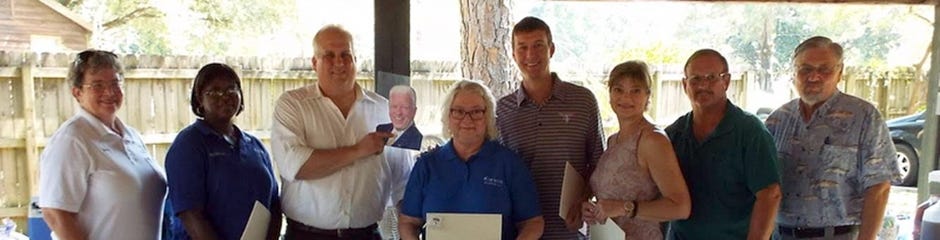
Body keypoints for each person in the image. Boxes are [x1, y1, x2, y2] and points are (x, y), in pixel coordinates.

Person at [270, 25, 410, 240]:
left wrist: (407, 234)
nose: (339, 62)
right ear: (314, 63)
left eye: (346, 54)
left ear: (356, 60)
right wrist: (358, 150)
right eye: (329, 55)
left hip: (366, 234)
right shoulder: (293, 105)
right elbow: (295, 166)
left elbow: (402, 182)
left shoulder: (386, 110)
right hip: (305, 235)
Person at [765, 36, 899, 240]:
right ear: (794, 73)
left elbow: (879, 187)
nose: (814, 76)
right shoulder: (777, 121)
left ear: (840, 73)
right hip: (780, 235)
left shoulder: (864, 117)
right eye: (805, 69)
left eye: (824, 69)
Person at [38, 49, 167, 240]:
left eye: (115, 83)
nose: (109, 92)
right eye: (97, 85)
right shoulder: (72, 139)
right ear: (77, 92)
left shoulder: (131, 136)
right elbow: (55, 213)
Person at [496, 16, 605, 239]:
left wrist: (583, 198)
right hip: (520, 231)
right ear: (513, 53)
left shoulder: (583, 101)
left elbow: (599, 162)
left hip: (570, 230)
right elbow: (495, 170)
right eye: (522, 47)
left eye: (538, 45)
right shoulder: (501, 110)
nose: (530, 55)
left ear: (551, 49)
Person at [398, 80, 544, 240]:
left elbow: (533, 222)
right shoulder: (426, 165)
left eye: (476, 112)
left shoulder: (509, 164)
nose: (467, 120)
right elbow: (408, 222)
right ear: (448, 115)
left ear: (487, 117)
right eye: (459, 111)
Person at [665, 49, 781, 240]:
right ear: (685, 84)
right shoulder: (674, 134)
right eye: (695, 79)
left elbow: (770, 194)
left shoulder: (749, 131)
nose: (703, 85)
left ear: (726, 82)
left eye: (711, 77)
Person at [165, 63, 281, 240]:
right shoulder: (189, 144)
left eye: (231, 89)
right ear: (199, 99)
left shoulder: (255, 146)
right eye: (215, 91)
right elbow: (190, 214)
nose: (225, 97)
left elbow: (273, 205)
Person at [581, 61, 691, 239]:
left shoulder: (652, 140)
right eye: (619, 89)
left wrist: (625, 207)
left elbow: (680, 207)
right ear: (609, 94)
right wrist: (593, 209)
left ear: (648, 96)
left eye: (635, 90)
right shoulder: (613, 141)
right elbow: (608, 198)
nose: (626, 97)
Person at [376, 85, 423, 150]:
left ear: (414, 111)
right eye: (394, 106)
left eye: (405, 107)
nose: (398, 113)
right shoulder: (380, 129)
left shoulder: (418, 140)